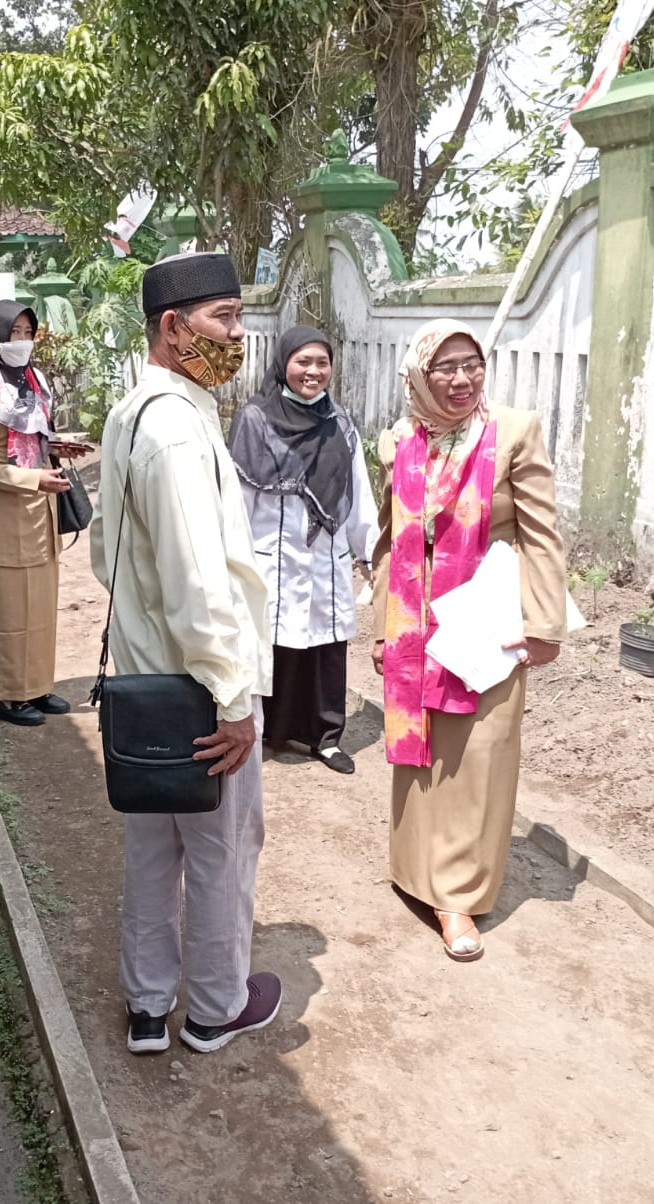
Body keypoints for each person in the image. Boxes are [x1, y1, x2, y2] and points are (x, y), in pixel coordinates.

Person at [90, 251, 280, 1056]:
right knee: (217, 853)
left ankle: (147, 1006)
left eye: (239, 317)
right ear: (173, 328)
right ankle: (214, 1007)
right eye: (224, 318)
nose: (238, 335)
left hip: (147, 682)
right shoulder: (174, 429)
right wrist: (232, 698)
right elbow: (199, 586)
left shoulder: (136, 412)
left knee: (151, 850)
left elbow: (107, 550)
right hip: (201, 689)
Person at [371, 319, 567, 961]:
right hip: (414, 615)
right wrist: (383, 628)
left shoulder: (512, 431)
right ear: (419, 376)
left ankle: (458, 895)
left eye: (472, 365)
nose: (462, 379)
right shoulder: (399, 440)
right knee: (422, 752)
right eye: (446, 368)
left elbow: (541, 533)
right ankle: (415, 870)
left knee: (479, 752)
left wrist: (543, 624)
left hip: (486, 615)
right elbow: (389, 537)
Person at [228, 325, 380, 775]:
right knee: (271, 645)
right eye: (303, 362)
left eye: (322, 363)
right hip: (271, 555)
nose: (313, 372)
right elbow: (237, 499)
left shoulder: (340, 422)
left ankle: (325, 738)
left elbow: (358, 494)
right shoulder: (255, 420)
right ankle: (265, 732)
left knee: (325, 649)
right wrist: (231, 558)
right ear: (284, 364)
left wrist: (371, 554)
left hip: (325, 557)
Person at [0, 300, 84, 727]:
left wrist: (57, 447)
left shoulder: (32, 380)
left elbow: (32, 438)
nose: (23, 341)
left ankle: (37, 687)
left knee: (42, 607)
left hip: (42, 513)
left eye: (29, 333)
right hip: (5, 515)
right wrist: (32, 479)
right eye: (15, 333)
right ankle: (9, 696)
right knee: (11, 610)